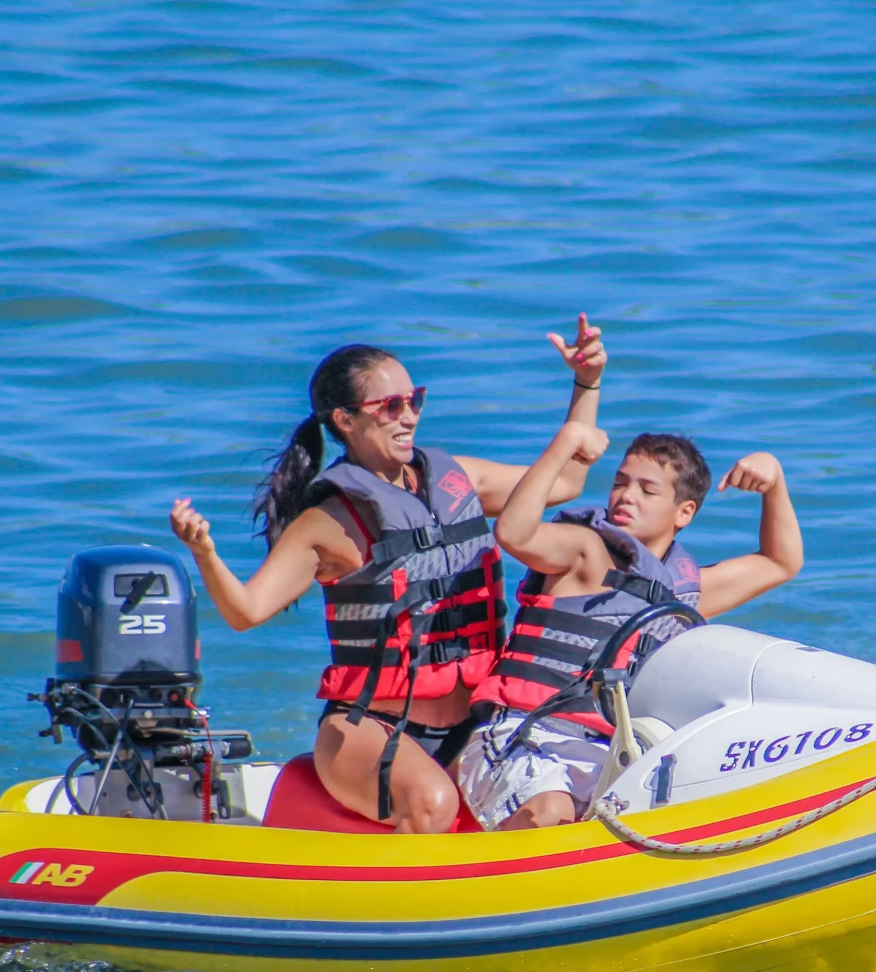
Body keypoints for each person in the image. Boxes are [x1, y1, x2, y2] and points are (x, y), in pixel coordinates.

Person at [167, 317, 610, 833]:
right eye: (391, 406)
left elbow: (568, 481)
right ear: (346, 420)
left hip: (476, 722)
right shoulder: (329, 523)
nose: (409, 417)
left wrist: (586, 383)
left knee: (560, 795)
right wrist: (204, 552)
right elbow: (246, 612)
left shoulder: (457, 479)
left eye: (415, 400)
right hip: (370, 729)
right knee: (432, 802)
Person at [459, 422, 803, 830]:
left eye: (647, 489)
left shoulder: (683, 593)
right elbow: (514, 533)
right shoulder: (584, 550)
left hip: (610, 751)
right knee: (550, 813)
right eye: (621, 482)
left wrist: (774, 480)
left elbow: (781, 562)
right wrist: (566, 442)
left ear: (685, 512)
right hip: (524, 736)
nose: (626, 495)